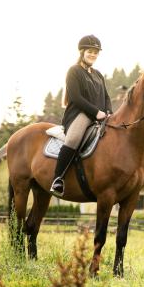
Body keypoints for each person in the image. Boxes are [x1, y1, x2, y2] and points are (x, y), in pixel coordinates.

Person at [50, 34, 112, 197]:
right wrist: (96, 112)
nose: (93, 55)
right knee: (73, 139)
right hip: (79, 114)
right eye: (90, 51)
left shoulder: (98, 74)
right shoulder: (74, 71)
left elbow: (106, 96)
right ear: (82, 52)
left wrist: (109, 112)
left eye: (95, 52)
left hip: (99, 116)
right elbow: (76, 98)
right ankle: (58, 179)